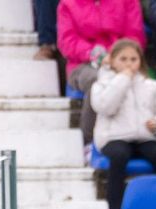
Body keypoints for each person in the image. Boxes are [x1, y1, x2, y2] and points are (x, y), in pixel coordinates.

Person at [90, 39, 156, 209]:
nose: (129, 64)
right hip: (114, 137)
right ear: (112, 61)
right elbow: (105, 106)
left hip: (145, 137)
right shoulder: (102, 85)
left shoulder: (152, 86)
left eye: (133, 59)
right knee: (119, 156)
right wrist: (122, 79)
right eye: (123, 59)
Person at [59, 0, 146, 145]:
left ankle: (141, 139)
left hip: (123, 59)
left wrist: (117, 57)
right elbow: (67, 41)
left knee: (141, 81)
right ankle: (88, 141)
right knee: (96, 81)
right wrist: (94, 55)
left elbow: (135, 35)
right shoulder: (68, 4)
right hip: (83, 64)